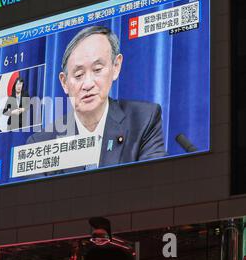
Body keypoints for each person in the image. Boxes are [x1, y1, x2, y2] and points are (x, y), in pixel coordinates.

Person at [28, 26, 167, 169]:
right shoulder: (40, 143)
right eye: (78, 75)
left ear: (116, 66)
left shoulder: (144, 120)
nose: (88, 84)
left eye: (97, 70)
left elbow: (153, 184)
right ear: (64, 82)